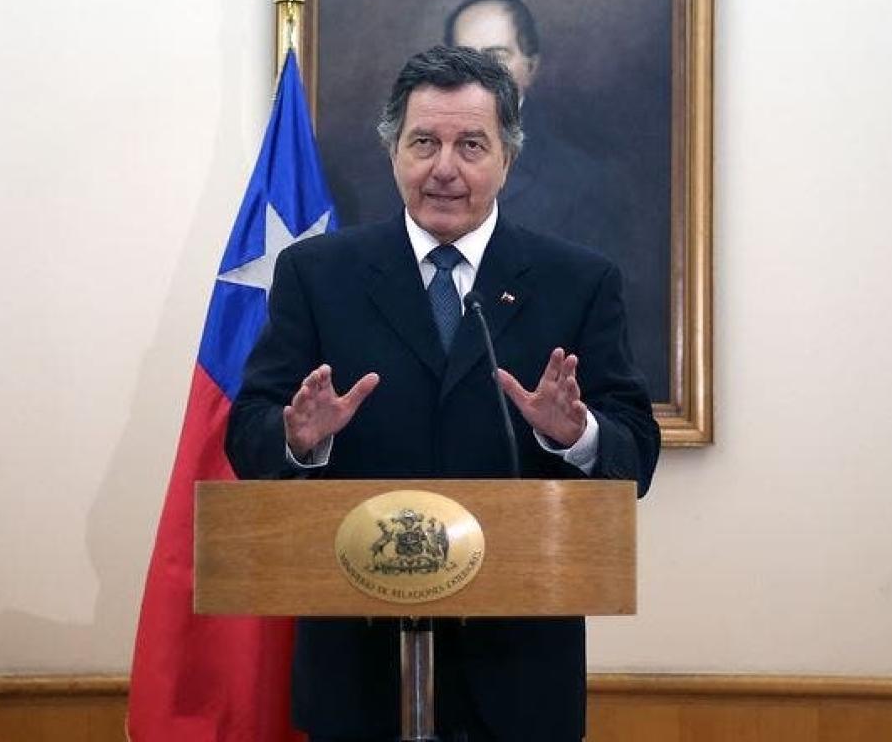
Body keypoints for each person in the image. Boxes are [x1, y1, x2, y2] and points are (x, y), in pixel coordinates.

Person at [226, 46, 659, 742]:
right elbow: (247, 435)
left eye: (471, 145)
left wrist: (575, 435)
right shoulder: (318, 274)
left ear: (507, 159)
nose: (445, 168)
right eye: (424, 142)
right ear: (393, 153)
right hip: (357, 670)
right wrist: (296, 438)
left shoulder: (578, 281)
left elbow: (635, 458)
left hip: (518, 675)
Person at [444, 0, 670, 403]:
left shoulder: (588, 182)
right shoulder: (416, 174)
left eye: (496, 57)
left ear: (530, 67)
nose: (478, 74)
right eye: (464, 58)